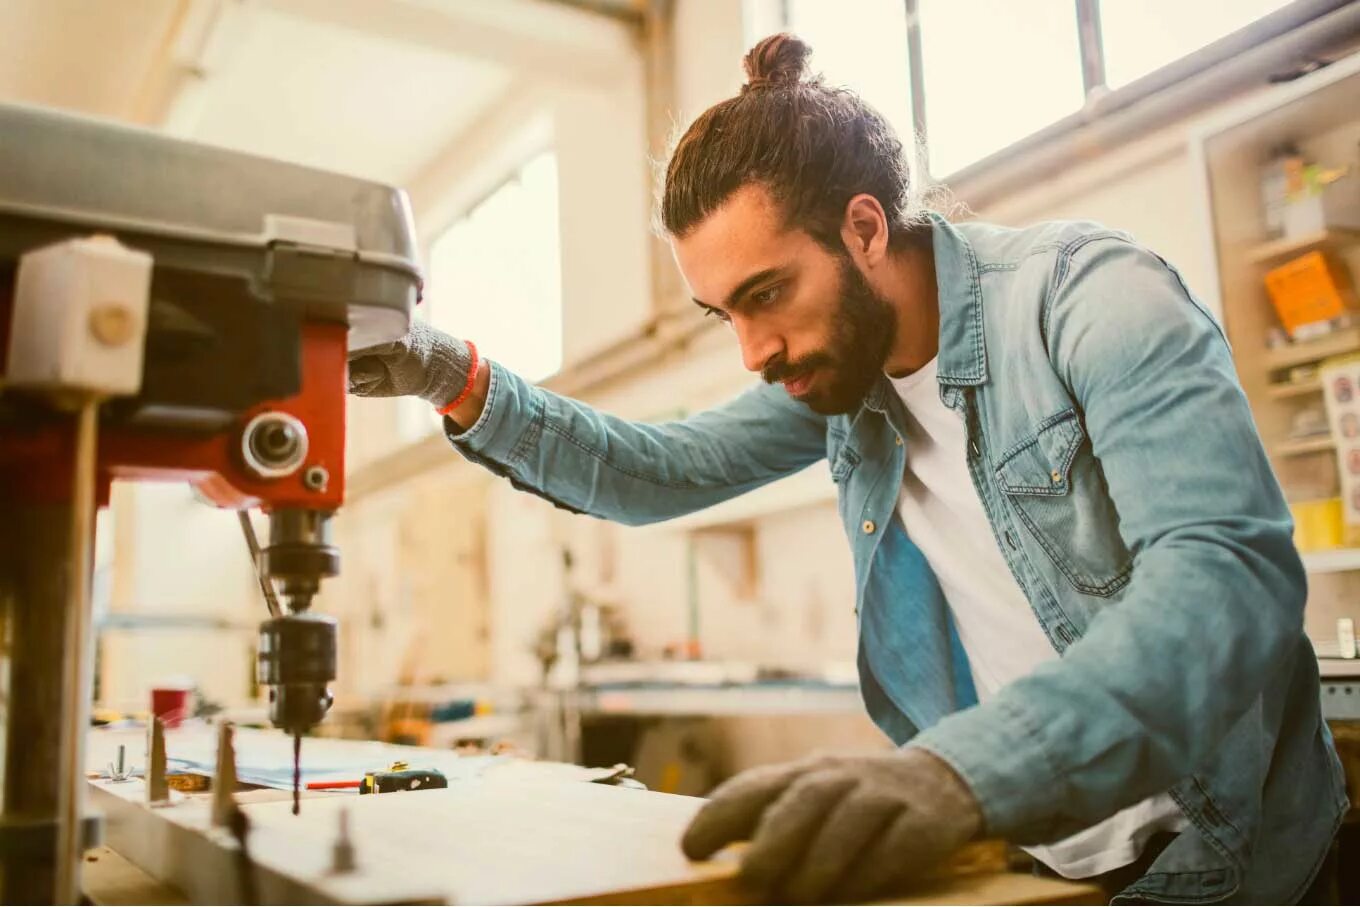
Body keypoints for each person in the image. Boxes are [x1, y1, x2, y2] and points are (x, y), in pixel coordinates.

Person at [349, 33, 1346, 905]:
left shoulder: (1086, 296)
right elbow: (659, 469)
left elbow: (1224, 574)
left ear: (865, 227)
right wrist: (456, 375)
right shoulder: (847, 378)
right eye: (722, 315)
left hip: (1229, 858)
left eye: (767, 293)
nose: (753, 350)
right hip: (1036, 856)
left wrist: (957, 776)